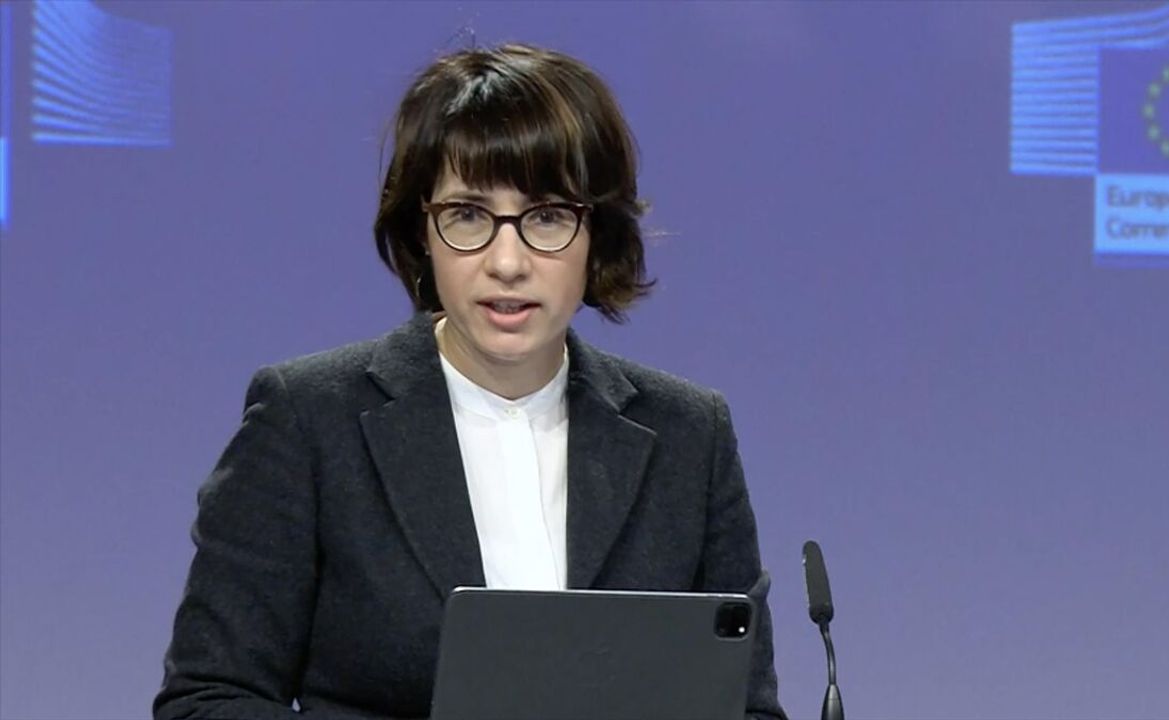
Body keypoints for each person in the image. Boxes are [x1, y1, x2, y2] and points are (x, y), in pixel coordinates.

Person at [154, 43, 786, 720]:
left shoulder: (689, 435)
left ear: (597, 234)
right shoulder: (308, 420)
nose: (506, 262)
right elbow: (206, 702)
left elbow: (746, 708)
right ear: (422, 231)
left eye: (547, 216)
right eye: (468, 215)